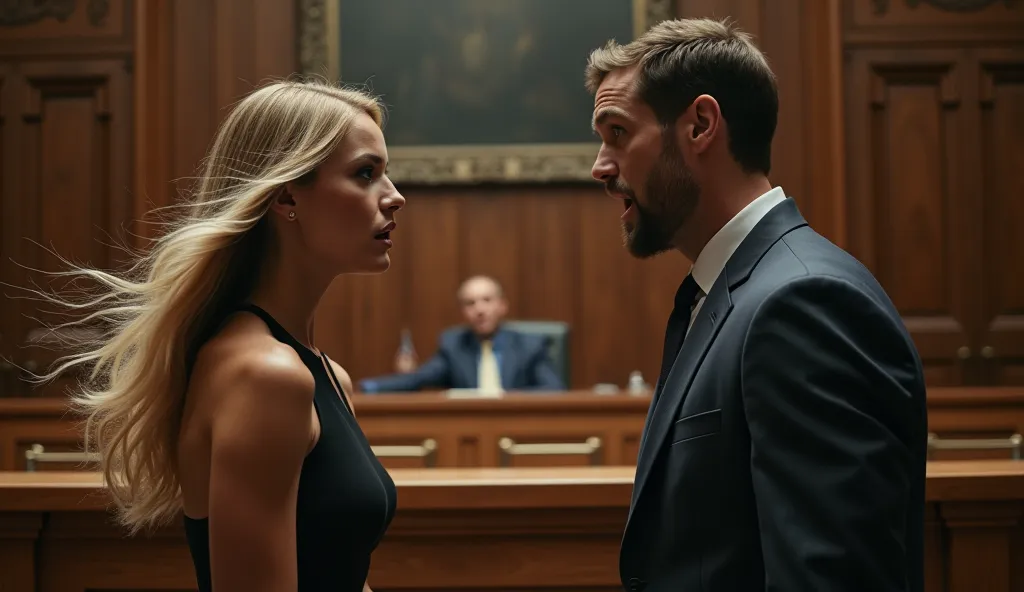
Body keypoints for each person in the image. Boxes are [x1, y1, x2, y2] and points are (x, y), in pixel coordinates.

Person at [585, 18, 927, 592]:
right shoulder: (729, 292)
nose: (600, 165)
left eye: (617, 133)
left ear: (700, 125)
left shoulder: (803, 303)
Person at [35, 80, 404, 592]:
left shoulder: (321, 373)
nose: (395, 197)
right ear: (285, 194)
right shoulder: (264, 375)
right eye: (366, 174)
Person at [358, 275, 565, 393]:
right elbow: (418, 379)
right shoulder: (454, 345)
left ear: (502, 306)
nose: (480, 309)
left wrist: (502, 398)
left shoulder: (530, 345)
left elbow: (553, 390)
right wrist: (366, 386)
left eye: (487, 300)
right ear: (463, 312)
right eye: (470, 303)